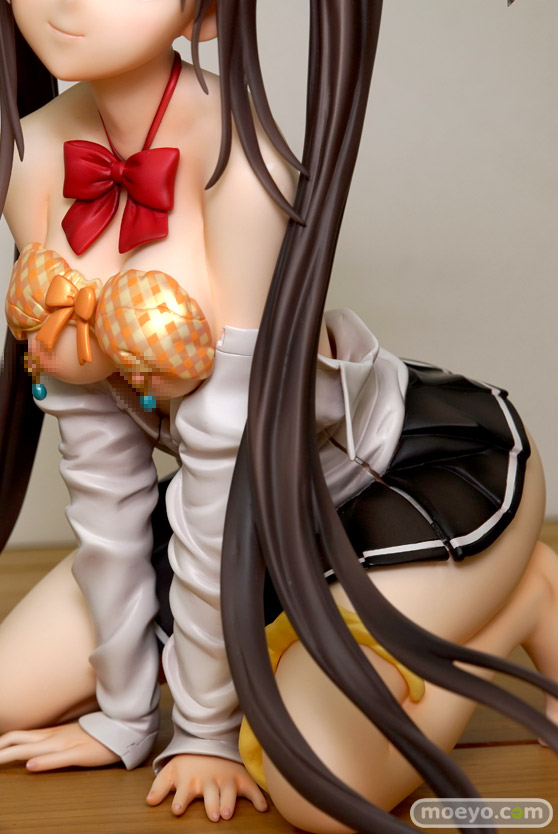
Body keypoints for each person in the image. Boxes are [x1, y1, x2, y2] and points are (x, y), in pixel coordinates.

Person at [0, 2, 556, 832]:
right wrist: (122, 716)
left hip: (393, 471)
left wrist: (204, 732)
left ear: (205, 9)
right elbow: (98, 450)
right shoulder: (34, 150)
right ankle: (281, 634)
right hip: (245, 512)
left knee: (312, 792)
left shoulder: (244, 160)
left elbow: (227, 458)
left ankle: (526, 596)